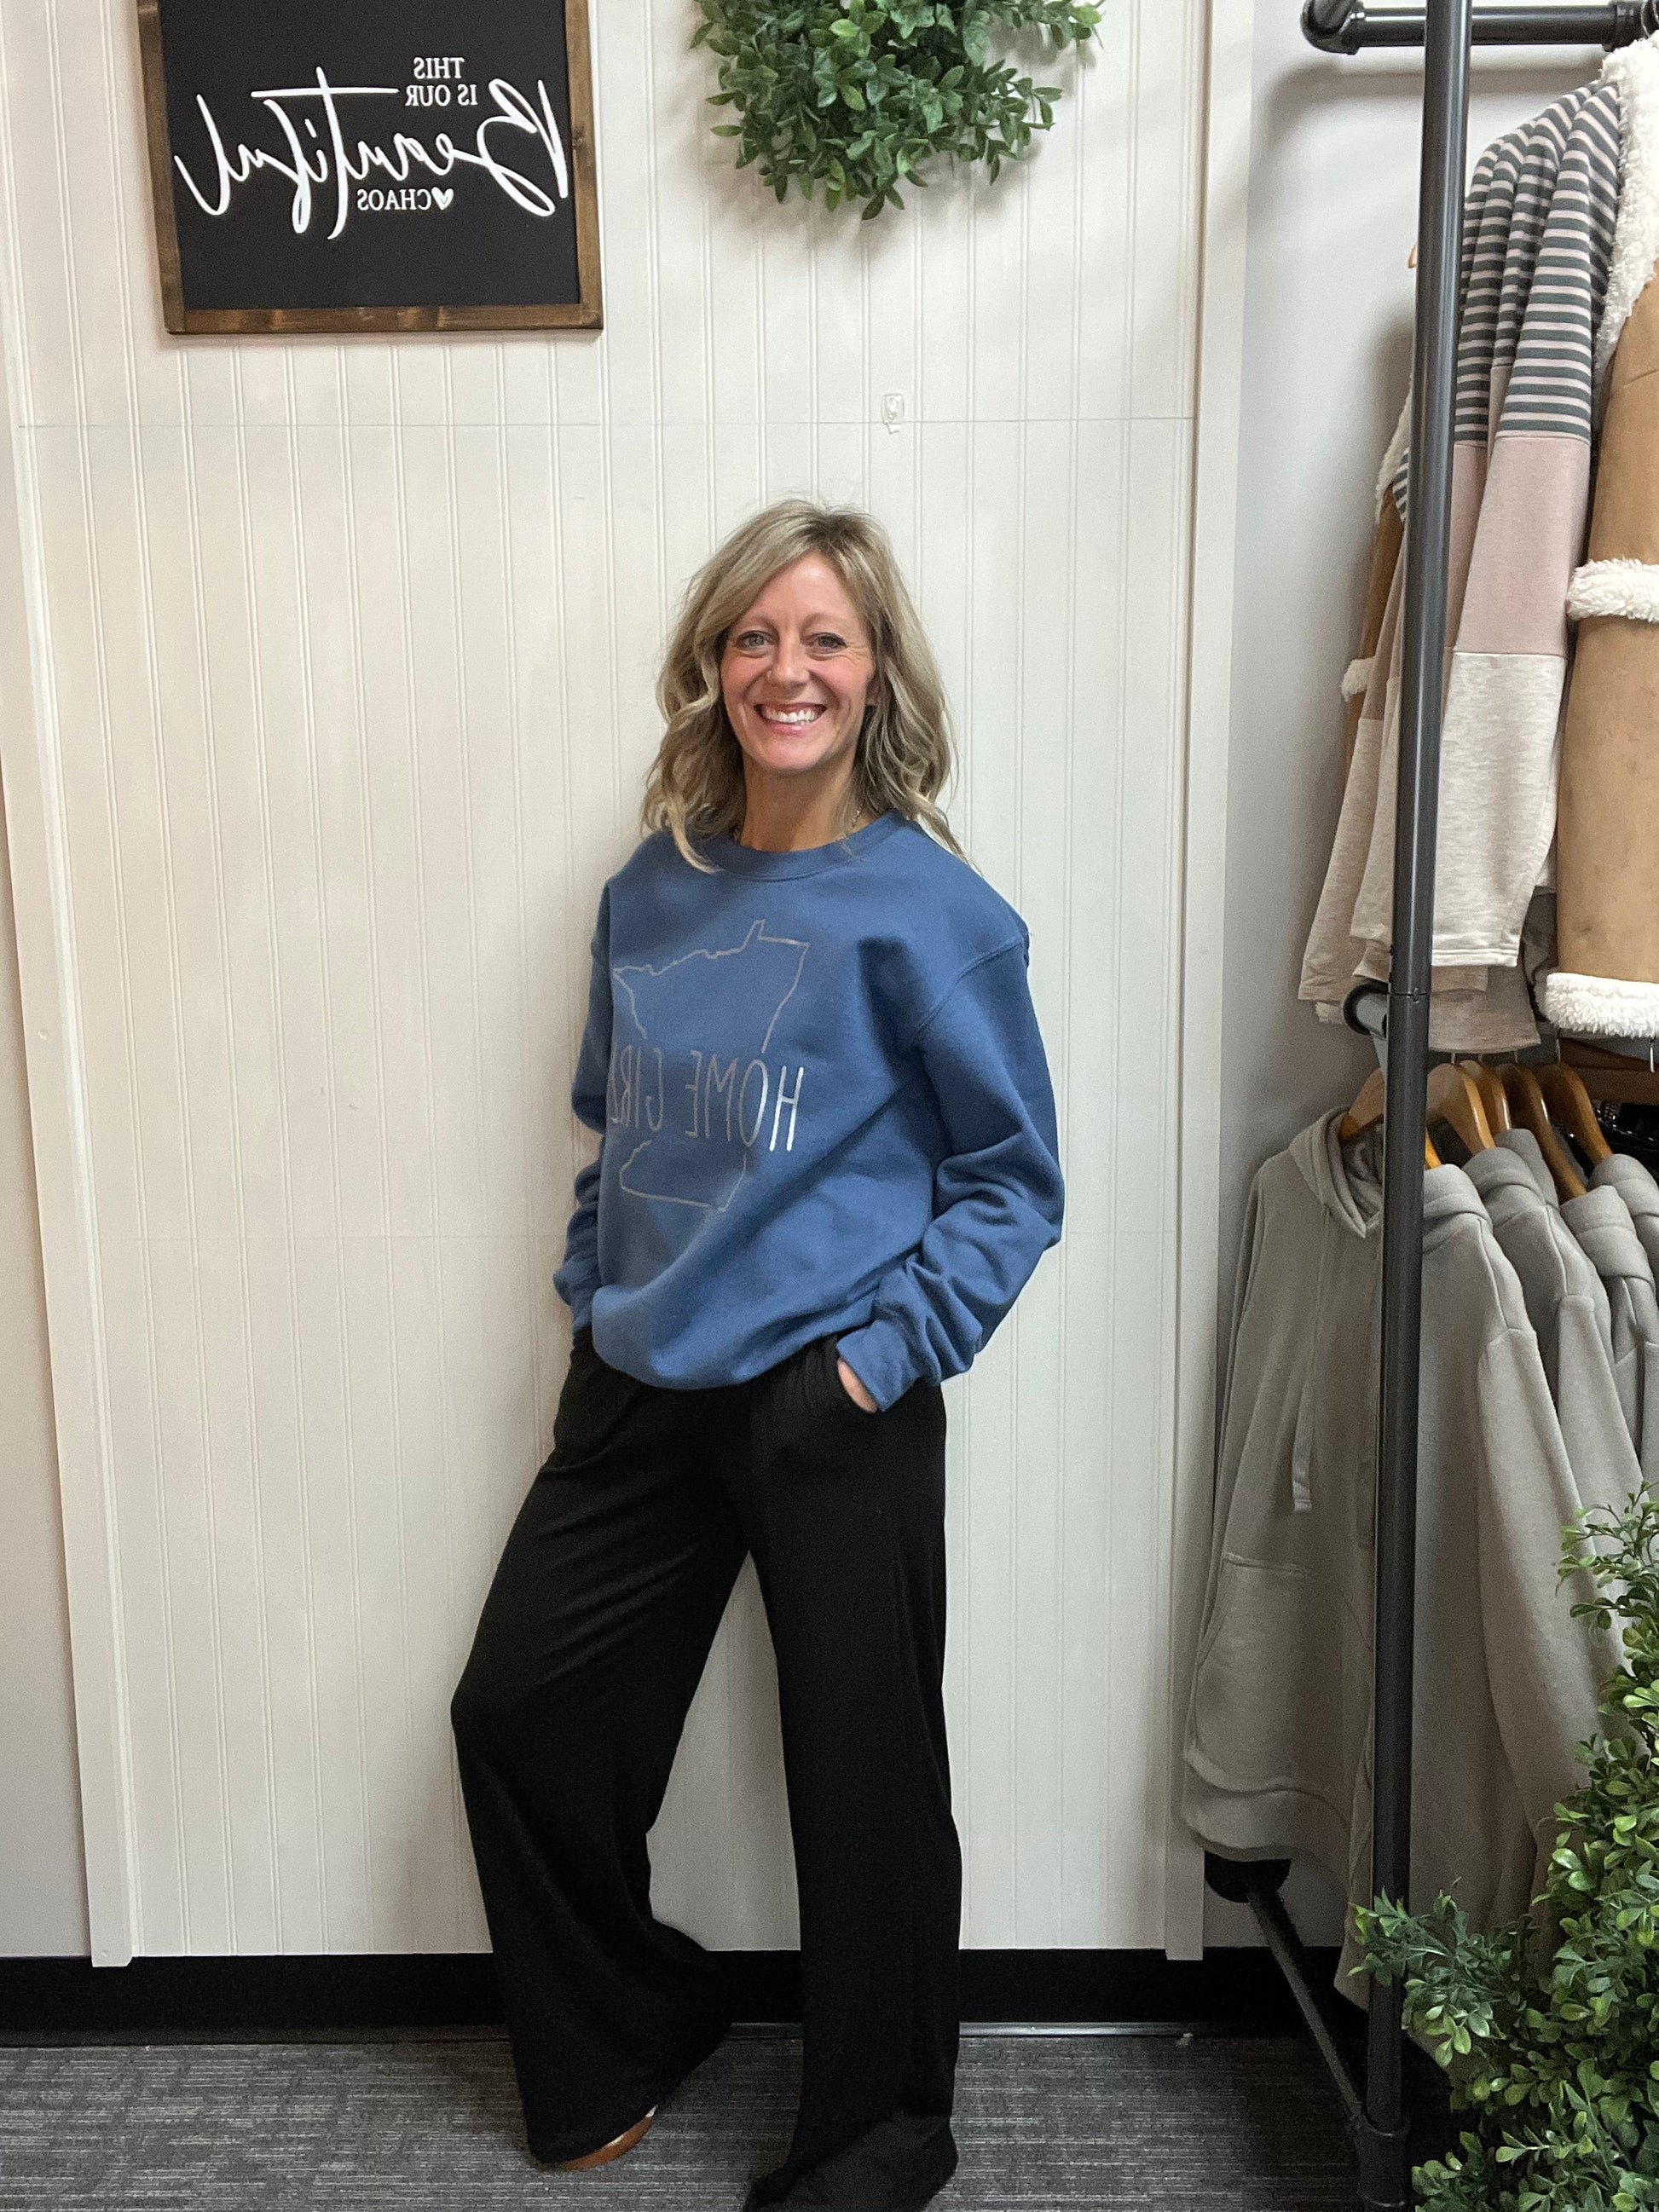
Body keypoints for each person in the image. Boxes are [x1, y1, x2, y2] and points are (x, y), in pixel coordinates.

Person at [450, 498, 1064, 2211]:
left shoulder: (934, 913)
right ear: (711, 667)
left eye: (824, 638)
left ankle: (880, 2135)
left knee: (864, 1784)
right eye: (753, 637)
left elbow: (1013, 1183)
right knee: (517, 1713)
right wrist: (593, 1292)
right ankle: (632, 2020)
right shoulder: (652, 891)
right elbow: (615, 1122)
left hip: (831, 1399)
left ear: (876, 674)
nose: (785, 669)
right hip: (641, 1381)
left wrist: (876, 1360)